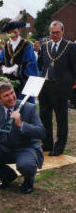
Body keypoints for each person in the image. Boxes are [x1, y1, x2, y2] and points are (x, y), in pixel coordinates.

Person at [0, 80, 45, 194]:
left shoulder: (29, 108)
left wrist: (21, 124)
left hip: (26, 148)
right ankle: (8, 176)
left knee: (26, 165)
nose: (11, 97)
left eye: (12, 93)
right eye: (6, 95)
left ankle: (28, 182)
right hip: (5, 148)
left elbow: (41, 133)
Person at [38, 21, 76, 156]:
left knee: (61, 118)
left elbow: (74, 67)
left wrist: (71, 85)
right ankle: (47, 143)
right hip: (45, 86)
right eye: (52, 32)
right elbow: (41, 64)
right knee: (44, 117)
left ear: (62, 32)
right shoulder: (45, 46)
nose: (54, 35)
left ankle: (59, 146)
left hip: (61, 87)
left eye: (57, 32)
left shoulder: (70, 46)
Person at [0, 21, 38, 103]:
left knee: (23, 107)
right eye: (11, 33)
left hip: (23, 82)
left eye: (15, 32)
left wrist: (17, 68)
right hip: (8, 83)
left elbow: (31, 63)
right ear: (8, 34)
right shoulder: (6, 46)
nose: (14, 35)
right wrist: (4, 69)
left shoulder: (27, 45)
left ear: (19, 31)